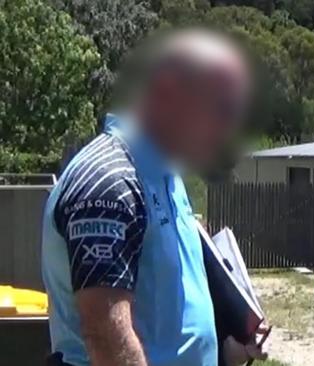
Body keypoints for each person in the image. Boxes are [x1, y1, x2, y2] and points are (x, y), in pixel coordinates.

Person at [41, 29, 266, 366]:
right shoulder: (110, 182)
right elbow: (107, 339)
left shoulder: (167, 175)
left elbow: (168, 321)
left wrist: (226, 349)